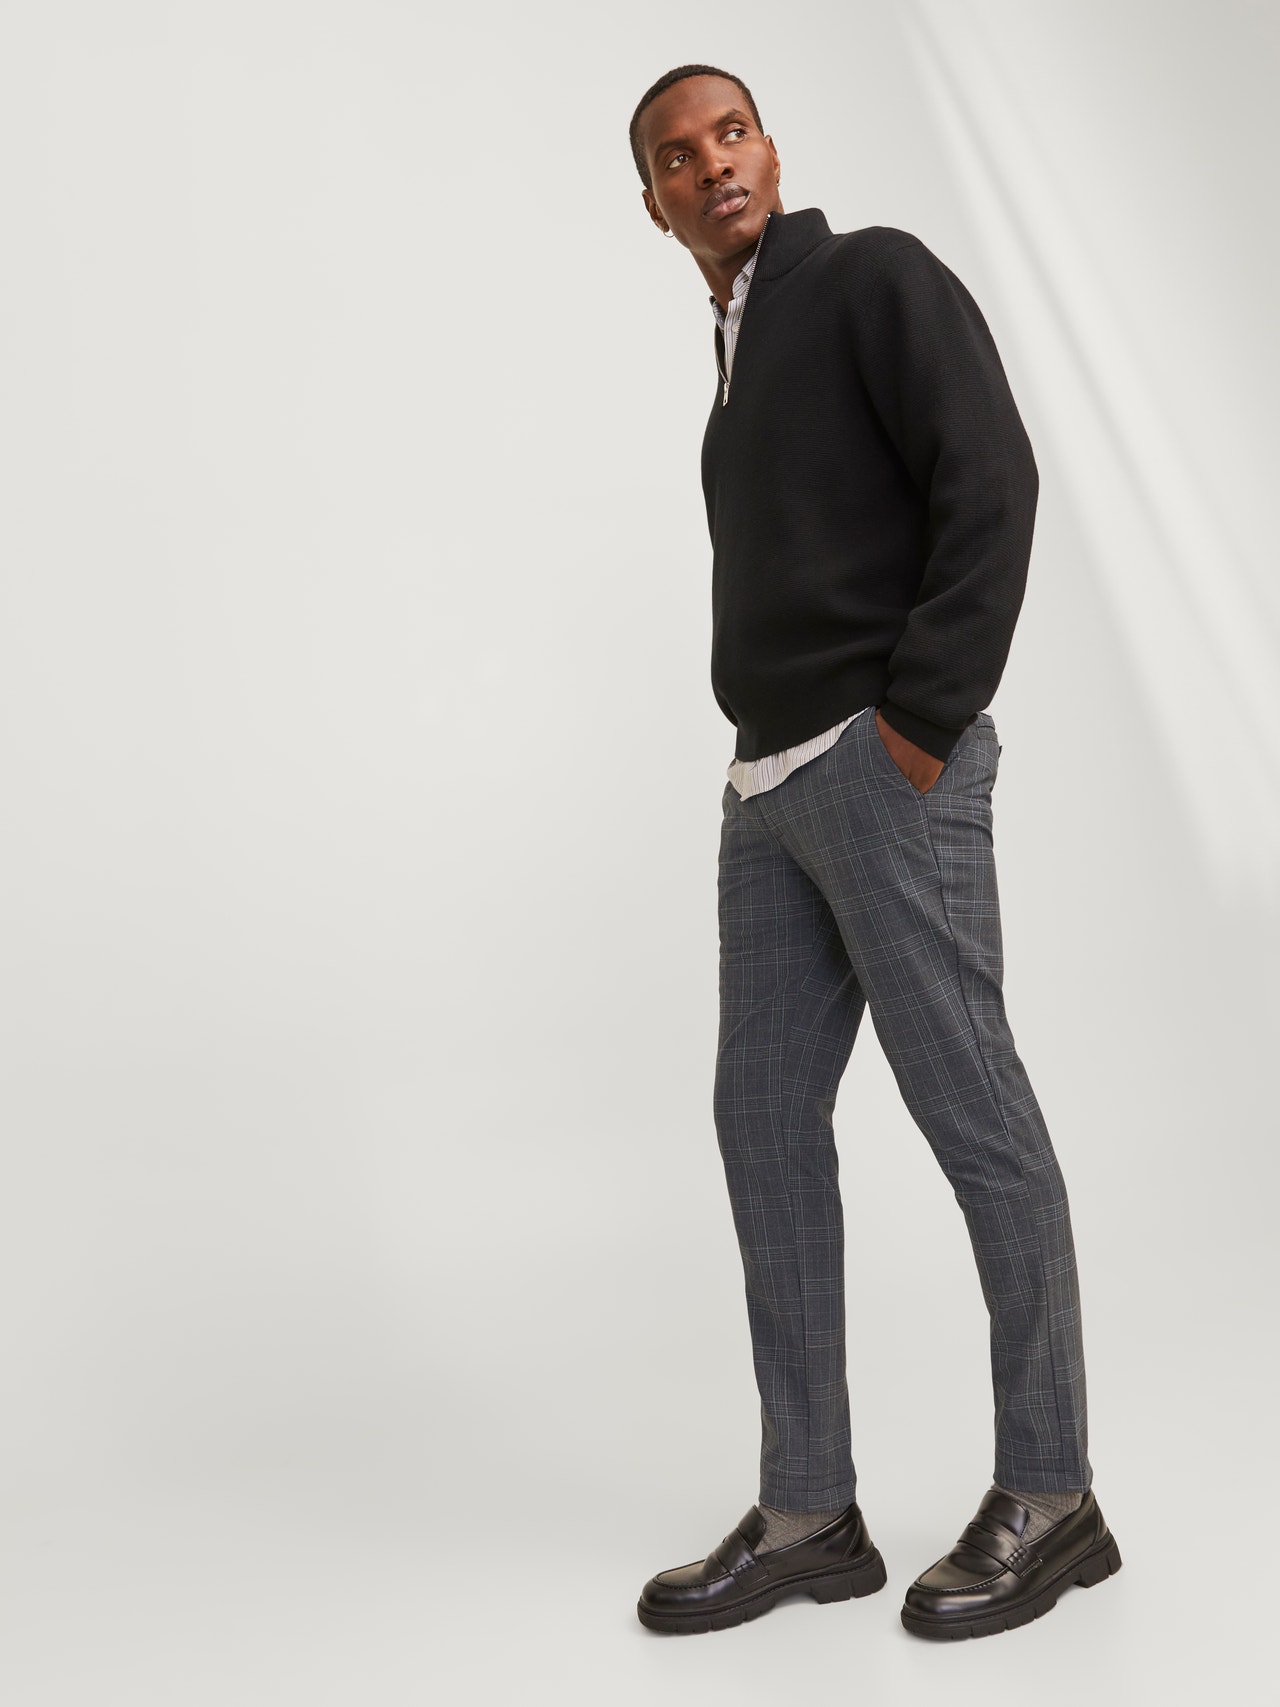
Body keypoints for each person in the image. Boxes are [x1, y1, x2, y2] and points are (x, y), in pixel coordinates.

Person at [627, 63, 1122, 1642]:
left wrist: (917, 721)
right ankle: (809, 1513)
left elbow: (995, 477)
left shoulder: (872, 278)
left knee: (973, 1109)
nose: (713, 164)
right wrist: (772, 754)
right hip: (768, 785)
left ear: (771, 150)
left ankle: (1051, 1493)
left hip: (877, 762)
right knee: (762, 1121)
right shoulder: (735, 362)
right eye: (677, 156)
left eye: (731, 133)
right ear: (651, 204)